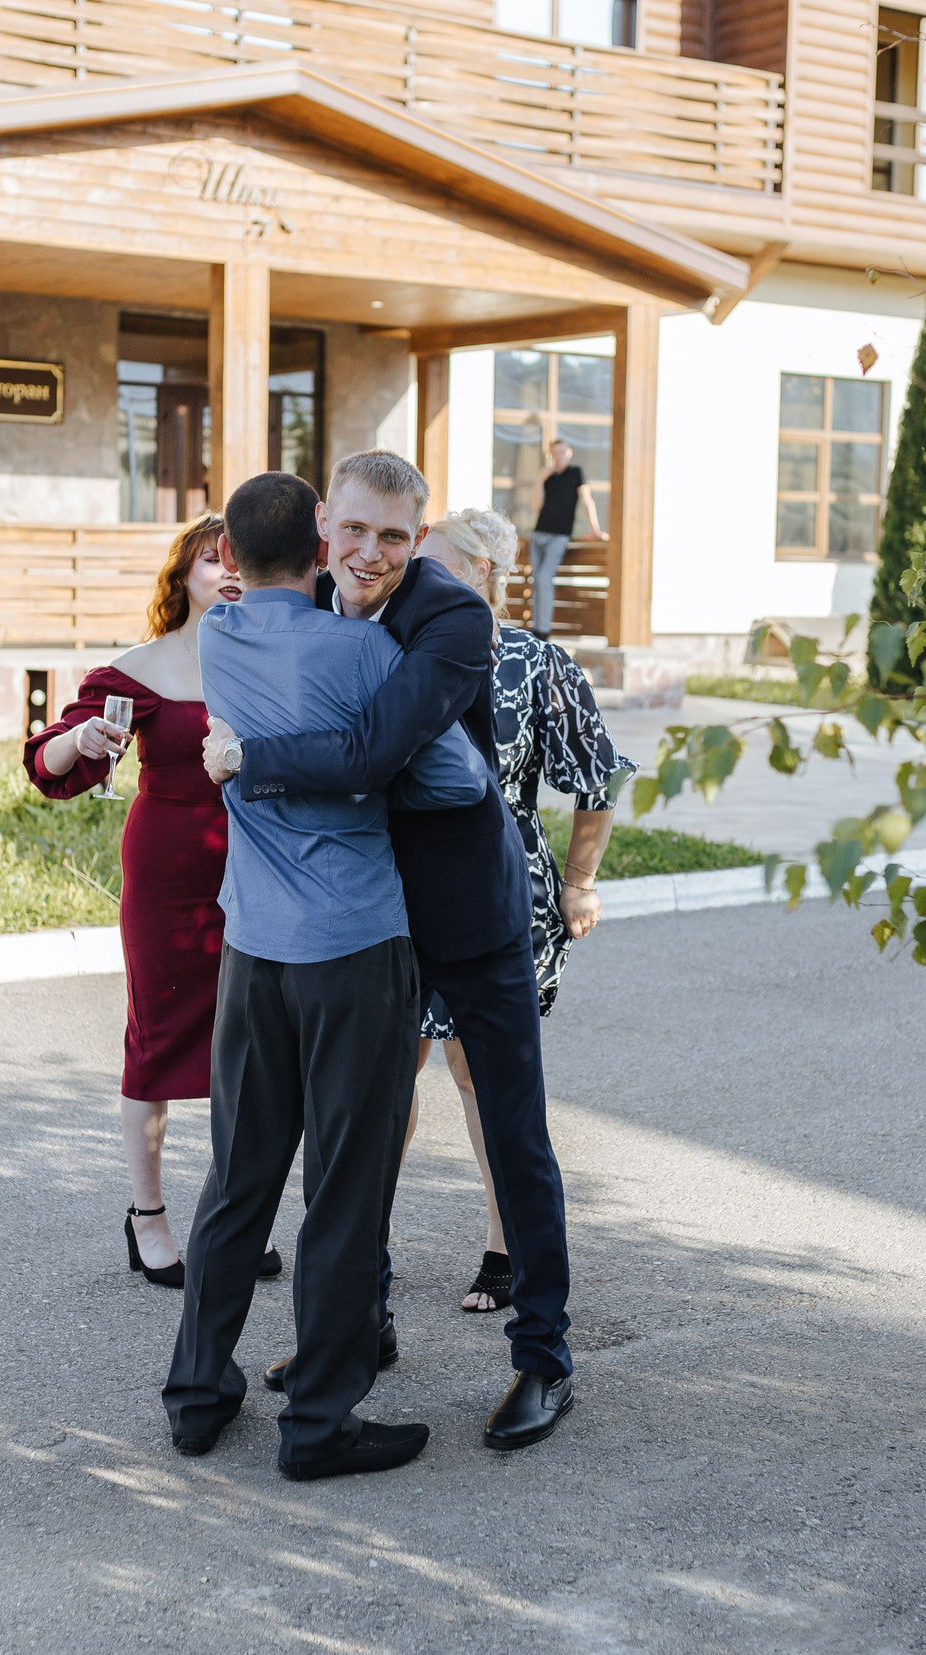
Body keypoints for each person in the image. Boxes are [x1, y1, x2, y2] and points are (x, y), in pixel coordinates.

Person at [203, 449, 579, 1454]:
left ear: (419, 540)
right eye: (356, 531)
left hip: (466, 910)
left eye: (394, 537)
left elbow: (371, 751)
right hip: (364, 918)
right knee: (356, 1137)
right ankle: (355, 1331)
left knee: (511, 1131)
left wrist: (250, 756)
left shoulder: (452, 620)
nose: (369, 555)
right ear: (326, 523)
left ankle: (542, 1355)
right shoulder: (311, 597)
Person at [160, 469, 494, 1482]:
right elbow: (454, 777)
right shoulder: (364, 650)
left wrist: (254, 755)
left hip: (254, 952)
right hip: (352, 950)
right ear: (319, 537)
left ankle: (197, 1393)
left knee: (236, 1181)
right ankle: (317, 1422)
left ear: (232, 557)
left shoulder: (219, 636)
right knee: (345, 1190)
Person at [23, 514, 278, 1291]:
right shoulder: (137, 670)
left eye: (242, 561)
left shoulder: (277, 658)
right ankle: (149, 1217)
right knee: (159, 1041)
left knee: (256, 1049)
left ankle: (236, 1216)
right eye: (212, 560)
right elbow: (47, 759)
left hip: (266, 869)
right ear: (184, 576)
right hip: (170, 874)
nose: (229, 573)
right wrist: (86, 741)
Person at [409, 507, 631, 1314]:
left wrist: (580, 881)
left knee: (482, 1071)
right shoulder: (398, 645)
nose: (415, 576)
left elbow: (596, 778)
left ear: (483, 574)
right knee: (387, 1070)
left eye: (434, 563)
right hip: (399, 886)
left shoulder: (536, 662)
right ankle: (365, 1259)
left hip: (505, 886)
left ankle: (505, 1247)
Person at [524, 440, 604, 640]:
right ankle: (537, 628)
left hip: (559, 536)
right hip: (539, 534)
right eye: (554, 453)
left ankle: (543, 630)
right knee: (536, 581)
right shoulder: (549, 477)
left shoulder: (576, 473)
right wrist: (540, 479)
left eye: (561, 452)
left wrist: (595, 529)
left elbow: (586, 500)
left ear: (569, 452)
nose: (558, 456)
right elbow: (537, 506)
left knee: (544, 578)